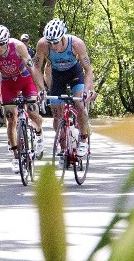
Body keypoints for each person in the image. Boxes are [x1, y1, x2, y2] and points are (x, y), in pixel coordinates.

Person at [0, 24, 46, 173]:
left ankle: (38, 133)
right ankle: (16, 155)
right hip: (8, 83)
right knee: (10, 117)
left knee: (32, 111)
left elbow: (32, 68)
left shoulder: (18, 46)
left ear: (7, 41)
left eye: (1, 44)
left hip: (25, 80)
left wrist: (40, 90)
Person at [32, 18, 95, 158]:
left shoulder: (76, 44)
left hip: (75, 74)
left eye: (55, 42)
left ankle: (83, 138)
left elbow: (88, 70)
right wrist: (41, 89)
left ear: (63, 37)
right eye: (50, 42)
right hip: (57, 76)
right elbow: (36, 68)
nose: (53, 46)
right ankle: (63, 144)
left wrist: (87, 90)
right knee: (56, 114)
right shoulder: (42, 45)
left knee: (79, 104)